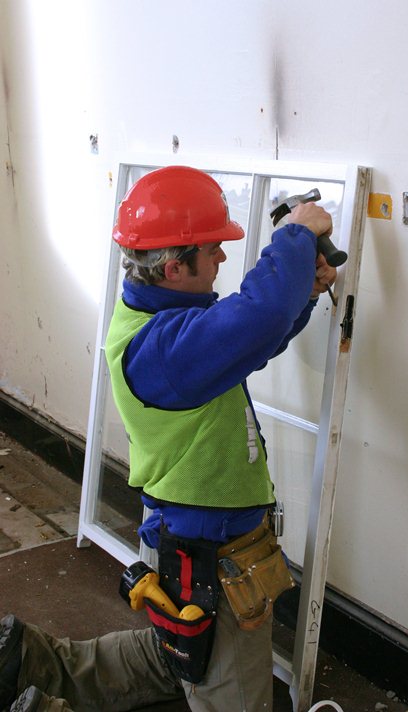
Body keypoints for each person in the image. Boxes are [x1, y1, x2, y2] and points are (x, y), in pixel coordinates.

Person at [0, 166, 335, 712]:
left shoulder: (157, 317)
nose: (223, 259)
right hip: (209, 554)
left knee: (177, 658)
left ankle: (31, 661)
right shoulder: (161, 350)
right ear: (176, 266)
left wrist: (303, 292)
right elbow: (256, 320)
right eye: (214, 251)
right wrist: (294, 236)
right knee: (219, 685)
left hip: (187, 544)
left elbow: (249, 341)